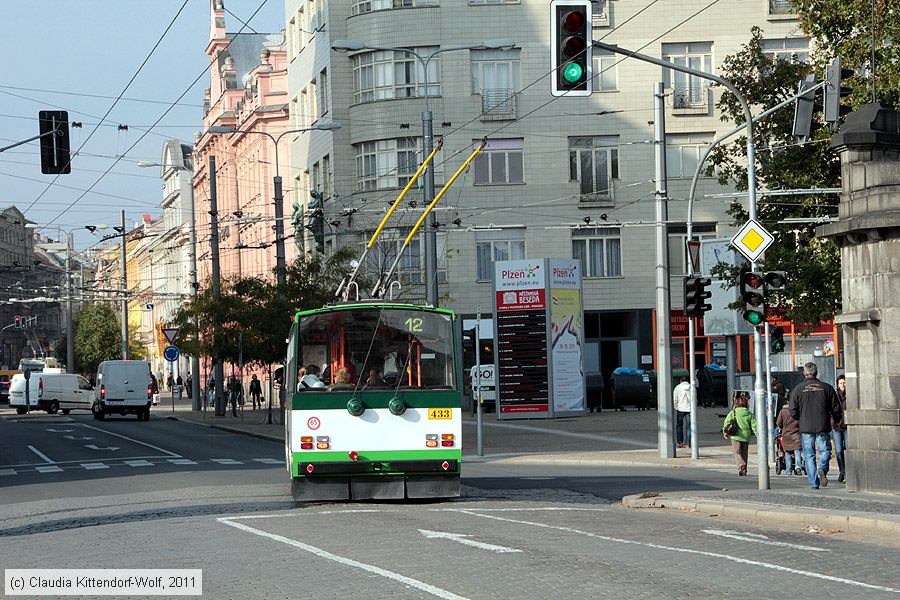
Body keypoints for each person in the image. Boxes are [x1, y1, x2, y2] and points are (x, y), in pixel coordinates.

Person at [789, 362, 843, 489]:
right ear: (816, 373)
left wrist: (800, 419)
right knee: (825, 451)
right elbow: (836, 407)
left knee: (809, 455)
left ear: (804, 373)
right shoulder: (827, 388)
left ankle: (814, 483)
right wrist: (836, 421)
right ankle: (823, 468)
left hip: (806, 426)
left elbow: (792, 410)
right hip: (822, 425)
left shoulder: (798, 389)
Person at [722, 392, 757, 476]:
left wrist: (725, 432)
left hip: (735, 436)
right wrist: (757, 434)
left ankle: (741, 465)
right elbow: (754, 426)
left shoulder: (733, 413)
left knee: (737, 452)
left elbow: (726, 422)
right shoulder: (750, 414)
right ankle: (744, 469)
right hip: (746, 436)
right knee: (745, 453)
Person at [775, 401, 803, 476]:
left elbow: (778, 423)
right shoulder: (798, 411)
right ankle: (798, 467)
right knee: (797, 452)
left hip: (786, 435)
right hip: (796, 434)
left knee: (787, 453)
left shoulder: (783, 411)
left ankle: (789, 470)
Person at [832, 374, 848, 483]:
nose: (843, 385)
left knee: (848, 448)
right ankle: (842, 471)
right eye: (841, 383)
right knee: (838, 450)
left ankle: (848, 472)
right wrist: (833, 422)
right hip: (836, 425)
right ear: (838, 384)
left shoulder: (850, 394)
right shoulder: (834, 394)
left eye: (844, 382)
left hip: (847, 425)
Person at [673, 376, 692, 448]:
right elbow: (695, 397)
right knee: (689, 426)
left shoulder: (677, 387)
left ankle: (680, 442)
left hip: (680, 408)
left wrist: (676, 407)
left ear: (680, 381)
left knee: (679, 425)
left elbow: (675, 398)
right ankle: (688, 443)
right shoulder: (691, 387)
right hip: (689, 409)